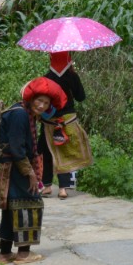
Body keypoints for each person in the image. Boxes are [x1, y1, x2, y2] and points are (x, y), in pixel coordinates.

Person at [0, 77, 67, 265]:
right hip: (16, 166)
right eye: (39, 100)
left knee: (12, 208)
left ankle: (4, 254)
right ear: (30, 98)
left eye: (46, 103)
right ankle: (23, 254)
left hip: (10, 167)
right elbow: (17, 148)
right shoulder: (20, 115)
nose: (42, 106)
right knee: (30, 203)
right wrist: (31, 173)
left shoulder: (22, 112)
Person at [38, 51, 87, 200]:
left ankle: (46, 186)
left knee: (47, 151)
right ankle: (63, 189)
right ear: (68, 59)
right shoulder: (72, 76)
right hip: (67, 120)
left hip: (49, 120)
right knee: (64, 151)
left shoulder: (46, 77)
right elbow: (81, 97)